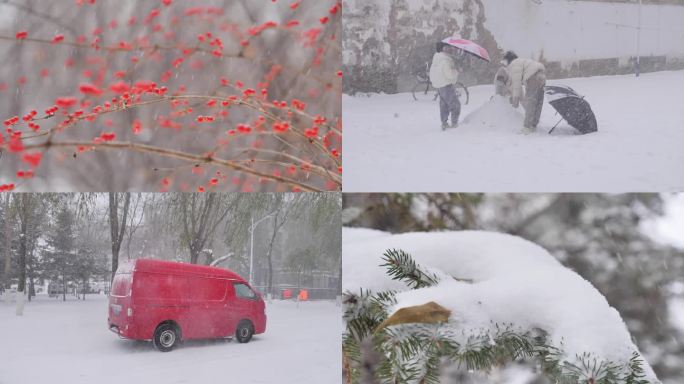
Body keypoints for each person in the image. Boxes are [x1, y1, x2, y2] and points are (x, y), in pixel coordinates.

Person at [502, 50, 546, 132]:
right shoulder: (522, 61)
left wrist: (515, 99)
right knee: (538, 102)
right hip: (542, 74)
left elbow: (516, 84)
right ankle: (533, 125)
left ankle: (527, 127)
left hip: (533, 77)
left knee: (531, 102)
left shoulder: (514, 64)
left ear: (509, 60)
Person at [429, 42, 461, 130]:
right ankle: (454, 124)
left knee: (444, 106)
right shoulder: (445, 60)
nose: (450, 48)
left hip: (440, 87)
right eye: (447, 47)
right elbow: (450, 74)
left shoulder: (436, 59)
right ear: (442, 49)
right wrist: (457, 71)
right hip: (446, 86)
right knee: (455, 105)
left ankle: (444, 123)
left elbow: (432, 74)